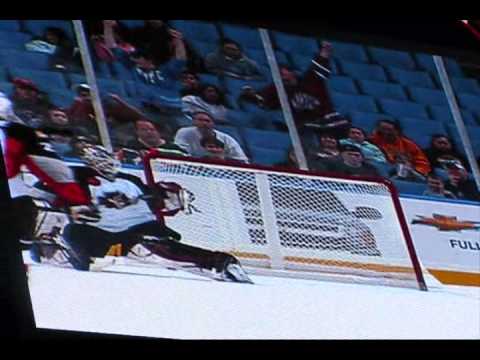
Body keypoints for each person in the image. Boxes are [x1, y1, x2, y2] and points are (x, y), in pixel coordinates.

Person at [45, 145, 252, 283]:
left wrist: (169, 197)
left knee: (156, 249)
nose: (106, 164)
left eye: (108, 159)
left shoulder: (129, 179)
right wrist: (75, 211)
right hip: (104, 235)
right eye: (100, 160)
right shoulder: (77, 178)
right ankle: (55, 254)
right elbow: (58, 202)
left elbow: (162, 202)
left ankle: (221, 265)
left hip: (140, 230)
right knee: (72, 233)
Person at [239, 41, 348, 135]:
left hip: (329, 120)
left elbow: (320, 64)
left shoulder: (311, 79)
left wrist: (325, 51)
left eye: (282, 73)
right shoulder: (276, 89)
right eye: (278, 74)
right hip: (305, 127)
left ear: (292, 73)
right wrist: (250, 95)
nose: (281, 76)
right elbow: (263, 100)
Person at [102, 20, 187, 88]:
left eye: (137, 57)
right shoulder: (131, 66)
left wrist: (179, 41)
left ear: (149, 61)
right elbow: (113, 48)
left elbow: (180, 60)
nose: (133, 59)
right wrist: (107, 27)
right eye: (134, 56)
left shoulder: (165, 71)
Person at [174, 111, 249, 163]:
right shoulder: (184, 132)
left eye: (207, 121)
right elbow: (179, 153)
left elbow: (242, 160)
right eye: (200, 120)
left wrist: (222, 160)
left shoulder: (227, 139)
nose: (204, 123)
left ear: (213, 123)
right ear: (194, 121)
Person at [119, 119, 187, 165]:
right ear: (137, 132)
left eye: (152, 129)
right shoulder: (130, 147)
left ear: (158, 132)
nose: (149, 132)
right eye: (144, 130)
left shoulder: (174, 149)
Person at [312, 144, 380, 177]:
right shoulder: (332, 166)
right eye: (349, 154)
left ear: (362, 158)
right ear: (342, 155)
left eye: (356, 155)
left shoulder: (370, 169)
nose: (353, 157)